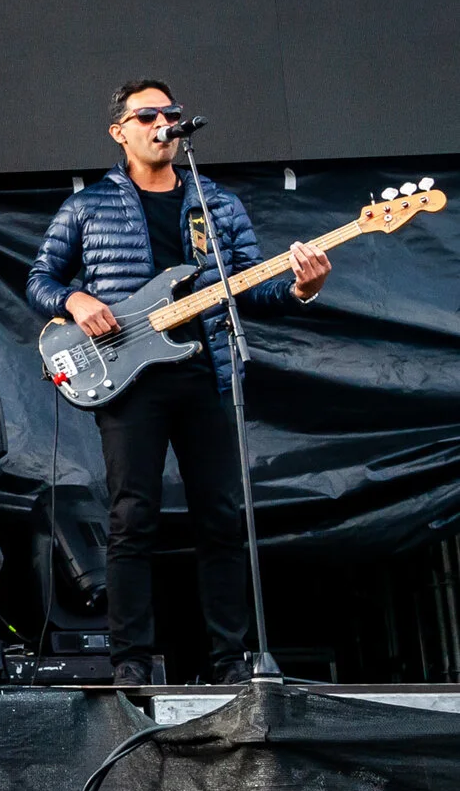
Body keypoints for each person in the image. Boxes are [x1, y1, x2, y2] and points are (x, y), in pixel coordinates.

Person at [26, 80, 330, 688]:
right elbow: (41, 278)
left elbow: (251, 287)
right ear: (120, 131)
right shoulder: (89, 207)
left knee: (220, 516)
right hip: (129, 379)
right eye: (147, 115)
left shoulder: (216, 205)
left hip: (206, 371)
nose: (162, 122)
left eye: (170, 113)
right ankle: (131, 661)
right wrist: (76, 300)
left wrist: (302, 287)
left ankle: (230, 660)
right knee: (132, 517)